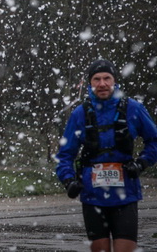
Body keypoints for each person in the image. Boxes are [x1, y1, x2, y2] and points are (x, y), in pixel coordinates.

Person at [56, 59, 157, 252]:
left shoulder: (133, 108)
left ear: (115, 81)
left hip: (125, 192)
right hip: (93, 194)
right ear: (90, 84)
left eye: (106, 78)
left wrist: (142, 163)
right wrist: (68, 180)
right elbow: (65, 154)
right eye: (97, 79)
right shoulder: (80, 114)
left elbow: (154, 140)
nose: (102, 83)